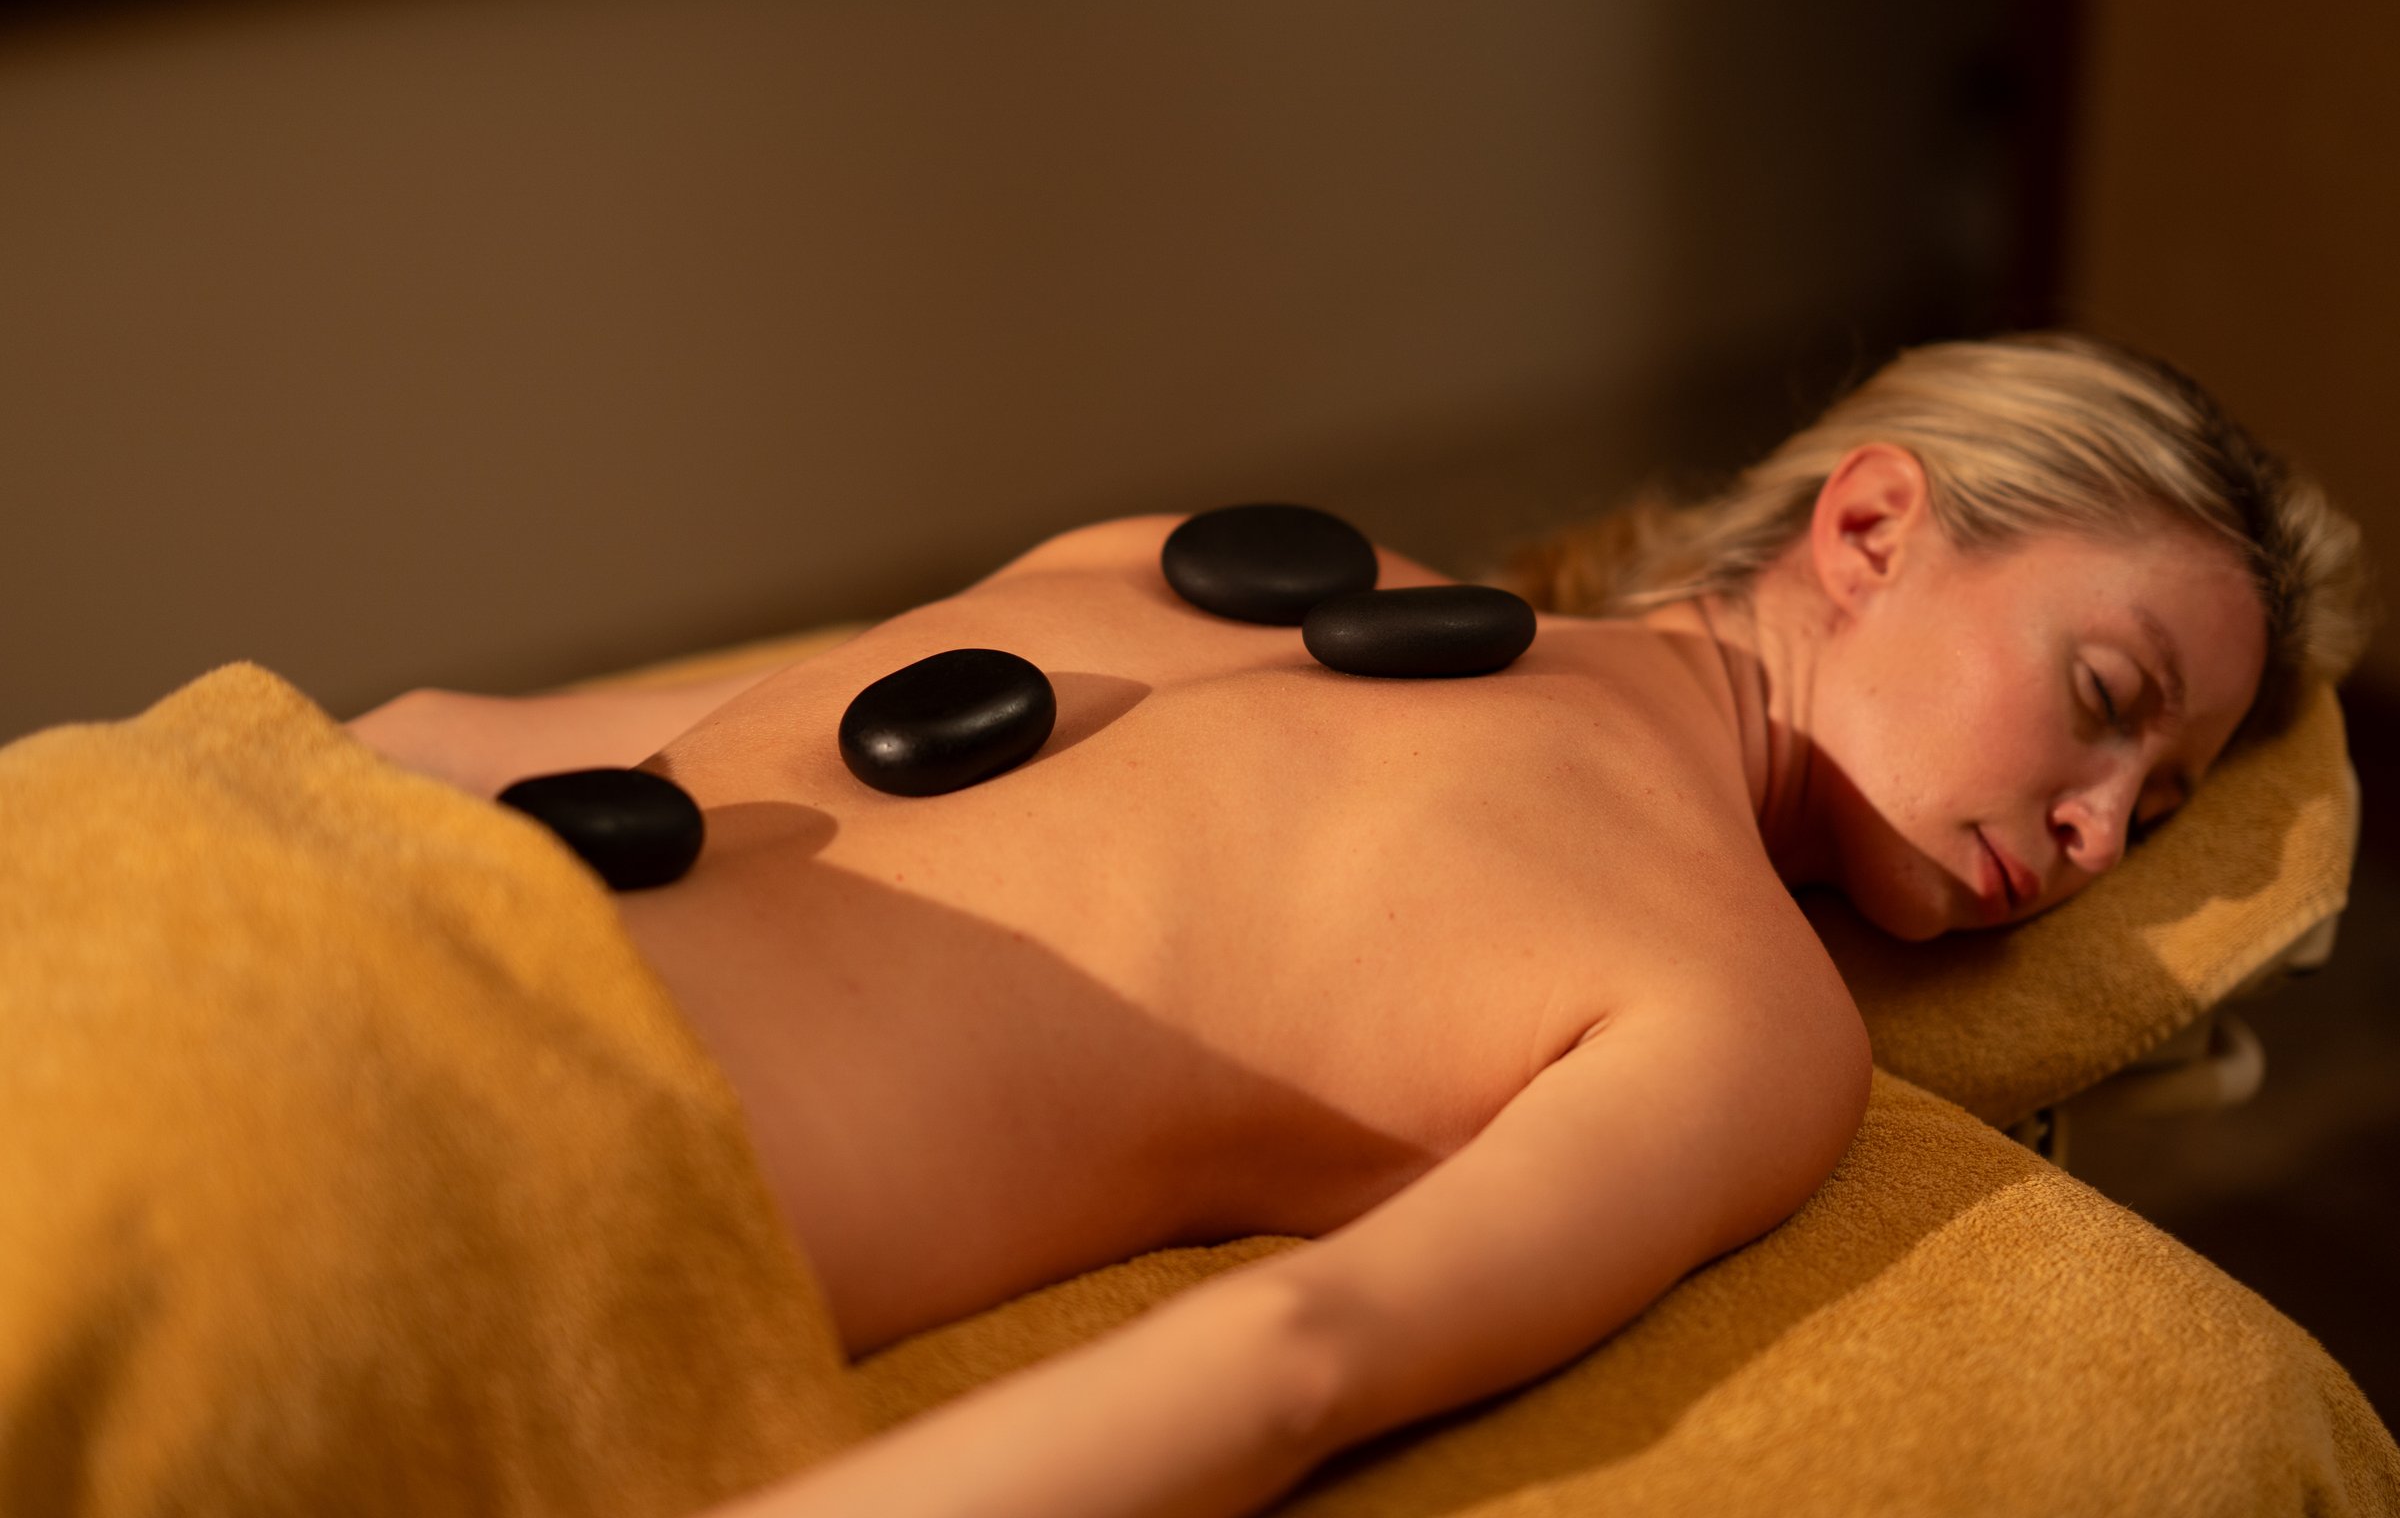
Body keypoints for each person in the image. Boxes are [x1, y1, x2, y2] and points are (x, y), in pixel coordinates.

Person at [348, 329, 2369, 1518]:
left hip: (410, 1090)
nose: (2107, 833)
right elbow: (1301, 1359)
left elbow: (1305, 1360)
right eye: (2109, 702)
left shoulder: (1730, 1001)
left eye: (2164, 805)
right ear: (1867, 527)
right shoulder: (1222, 580)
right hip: (423, 1073)